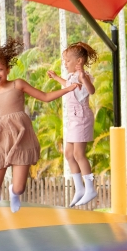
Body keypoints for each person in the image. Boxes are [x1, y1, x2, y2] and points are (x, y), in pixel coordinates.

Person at [0, 39, 80, 222]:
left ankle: (14, 194)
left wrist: (68, 89)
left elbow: (44, 97)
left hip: (21, 136)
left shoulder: (17, 84)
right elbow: (1, 117)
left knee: (19, 188)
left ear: (7, 70)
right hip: (2, 139)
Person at [48, 42, 98, 207]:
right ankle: (80, 188)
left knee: (78, 154)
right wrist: (56, 77)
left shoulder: (85, 76)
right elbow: (68, 86)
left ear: (79, 62)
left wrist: (83, 78)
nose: (65, 63)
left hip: (81, 117)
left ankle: (90, 188)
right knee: (69, 153)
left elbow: (91, 91)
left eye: (67, 60)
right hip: (73, 118)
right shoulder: (71, 77)